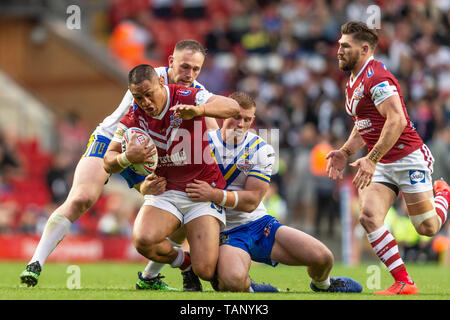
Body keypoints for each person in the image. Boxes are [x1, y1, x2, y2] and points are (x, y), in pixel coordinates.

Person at [19, 40, 209, 288]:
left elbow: (210, 127)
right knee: (81, 198)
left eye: (196, 69)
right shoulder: (148, 80)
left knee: (182, 211)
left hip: (153, 153)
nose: (189, 75)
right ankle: (35, 263)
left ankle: (150, 277)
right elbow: (133, 128)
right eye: (185, 67)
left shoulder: (198, 93)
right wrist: (133, 165)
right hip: (113, 140)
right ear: (171, 62)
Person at [184, 92, 362, 293]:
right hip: (227, 232)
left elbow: (251, 201)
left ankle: (324, 285)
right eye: (236, 117)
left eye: (247, 119)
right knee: (232, 282)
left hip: (259, 223)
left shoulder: (261, 148)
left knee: (323, 258)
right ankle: (252, 288)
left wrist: (213, 194)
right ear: (225, 115)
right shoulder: (201, 143)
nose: (241, 124)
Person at [326, 21, 449, 295]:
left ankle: (443, 193)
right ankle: (404, 282)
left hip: (407, 157)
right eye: (339, 45)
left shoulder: (377, 78)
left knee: (427, 227)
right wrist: (345, 152)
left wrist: (371, 158)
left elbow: (397, 119)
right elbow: (364, 123)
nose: (339, 51)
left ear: (365, 48)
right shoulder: (352, 81)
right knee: (369, 216)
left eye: (346, 46)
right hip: (380, 161)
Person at [103, 65, 240, 289]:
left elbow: (232, 107)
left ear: (160, 82)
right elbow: (108, 161)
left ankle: (223, 265)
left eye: (149, 94)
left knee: (206, 270)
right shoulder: (134, 115)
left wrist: (199, 111)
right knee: (143, 241)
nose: (145, 102)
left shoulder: (185, 95)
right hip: (165, 191)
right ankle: (185, 264)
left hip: (201, 191)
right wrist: (126, 157)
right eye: (138, 97)